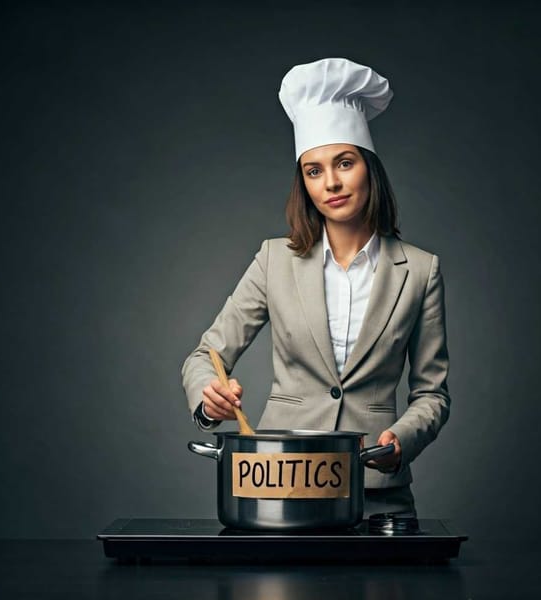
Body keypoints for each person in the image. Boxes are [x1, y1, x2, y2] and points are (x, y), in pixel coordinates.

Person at [181, 57, 451, 517]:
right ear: (303, 184)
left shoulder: (420, 271)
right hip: (279, 486)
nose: (331, 183)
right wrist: (209, 399)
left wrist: (402, 439)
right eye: (313, 170)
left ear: (369, 168)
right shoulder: (274, 260)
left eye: (344, 163)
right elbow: (206, 356)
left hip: (377, 490)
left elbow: (432, 394)